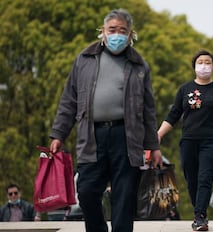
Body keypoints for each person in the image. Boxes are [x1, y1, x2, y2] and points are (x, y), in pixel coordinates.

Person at [49, 9, 162, 232]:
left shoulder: (140, 65)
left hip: (127, 137)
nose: (117, 35)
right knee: (87, 190)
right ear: (102, 31)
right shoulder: (84, 59)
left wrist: (154, 146)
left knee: (124, 194)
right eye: (112, 30)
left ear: (131, 35)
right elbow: (69, 99)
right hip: (92, 135)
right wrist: (58, 134)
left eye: (123, 31)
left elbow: (148, 109)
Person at [157, 50, 213, 231]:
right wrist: (159, 135)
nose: (204, 65)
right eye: (200, 62)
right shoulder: (184, 89)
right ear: (194, 66)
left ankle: (200, 216)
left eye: (207, 62)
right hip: (188, 140)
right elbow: (173, 115)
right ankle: (199, 210)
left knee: (205, 177)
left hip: (211, 140)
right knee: (191, 179)